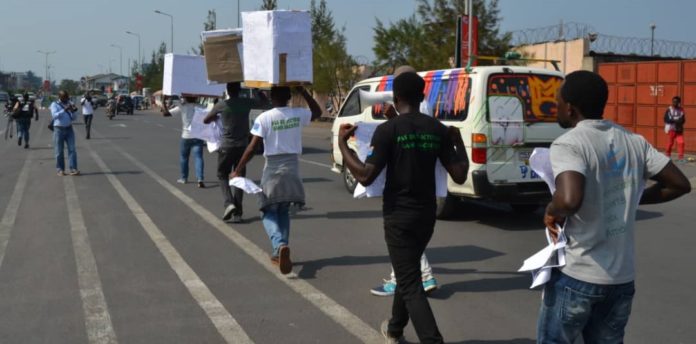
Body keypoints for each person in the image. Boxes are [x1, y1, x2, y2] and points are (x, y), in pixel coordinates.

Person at [538, 71, 691, 343]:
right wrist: (631, 194)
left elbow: (569, 200)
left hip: (578, 275)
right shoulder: (634, 141)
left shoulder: (569, 143)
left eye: (558, 101)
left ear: (570, 108)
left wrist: (551, 210)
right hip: (621, 281)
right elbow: (679, 183)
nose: (556, 107)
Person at [339, 72, 469, 344]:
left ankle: (432, 339)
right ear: (422, 97)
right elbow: (458, 174)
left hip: (399, 216)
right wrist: (458, 144)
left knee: (410, 282)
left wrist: (343, 146)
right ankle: (395, 328)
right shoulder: (437, 129)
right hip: (426, 216)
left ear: (396, 99)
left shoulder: (388, 130)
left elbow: (365, 176)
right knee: (407, 270)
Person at [231, 86, 321, 274]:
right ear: (289, 97)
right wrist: (303, 92)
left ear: (271, 97)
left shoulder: (264, 118)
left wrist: (238, 170)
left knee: (267, 210)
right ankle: (280, 250)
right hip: (293, 168)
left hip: (273, 168)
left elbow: (252, 147)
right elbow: (318, 112)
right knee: (283, 210)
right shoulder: (297, 113)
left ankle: (279, 245)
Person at [370, 66, 439, 297]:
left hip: (406, 180)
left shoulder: (415, 109)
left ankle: (417, 278)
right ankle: (411, 284)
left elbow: (411, 128)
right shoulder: (422, 104)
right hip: (423, 186)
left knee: (402, 240)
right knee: (409, 243)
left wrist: (392, 120)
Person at [203, 82, 268, 223]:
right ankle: (238, 213)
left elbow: (206, 120)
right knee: (239, 176)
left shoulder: (222, 104)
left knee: (222, 174)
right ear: (239, 90)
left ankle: (229, 203)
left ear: (227, 90)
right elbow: (265, 103)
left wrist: (216, 116)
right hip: (243, 146)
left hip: (226, 145)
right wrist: (257, 89)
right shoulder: (246, 102)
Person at [162, 96, 208, 188]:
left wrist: (163, 102)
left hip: (186, 136)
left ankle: (184, 178)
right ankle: (200, 179)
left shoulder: (182, 106)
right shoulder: (201, 107)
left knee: (184, 157)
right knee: (198, 157)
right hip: (197, 136)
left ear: (185, 98)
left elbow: (165, 114)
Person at [50, 90, 80, 176]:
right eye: (65, 97)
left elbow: (74, 118)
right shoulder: (54, 104)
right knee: (59, 151)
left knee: (72, 150)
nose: (66, 99)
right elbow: (54, 115)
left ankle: (73, 168)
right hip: (58, 129)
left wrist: (73, 111)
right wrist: (64, 109)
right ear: (60, 97)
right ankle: (60, 169)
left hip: (69, 128)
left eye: (67, 97)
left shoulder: (69, 103)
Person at [664, 96, 686, 163]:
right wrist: (677, 120)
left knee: (681, 142)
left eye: (676, 102)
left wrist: (674, 120)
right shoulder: (669, 109)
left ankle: (681, 158)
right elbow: (667, 119)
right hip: (671, 129)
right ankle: (667, 155)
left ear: (679, 102)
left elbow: (683, 120)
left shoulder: (681, 110)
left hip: (679, 129)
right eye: (673, 102)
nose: (674, 103)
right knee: (670, 143)